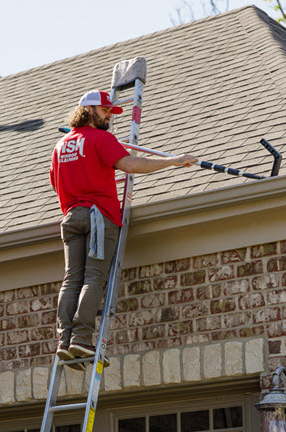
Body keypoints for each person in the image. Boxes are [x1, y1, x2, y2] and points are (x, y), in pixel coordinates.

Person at [49, 89, 197, 370]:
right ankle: (81, 338)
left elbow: (55, 183)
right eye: (105, 111)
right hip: (98, 217)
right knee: (93, 277)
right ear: (89, 110)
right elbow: (129, 164)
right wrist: (172, 161)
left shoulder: (60, 146)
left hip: (71, 217)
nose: (108, 117)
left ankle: (64, 342)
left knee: (71, 280)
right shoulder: (101, 138)